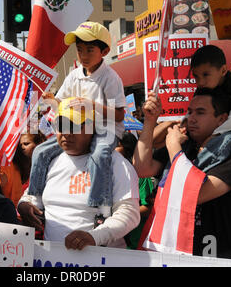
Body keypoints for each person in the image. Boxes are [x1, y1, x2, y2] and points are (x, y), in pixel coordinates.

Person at [134, 88, 231, 258]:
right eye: (189, 112)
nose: (192, 118)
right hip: (173, 250)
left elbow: (193, 195)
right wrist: (150, 122)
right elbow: (141, 168)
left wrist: (173, 146)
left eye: (200, 112)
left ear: (221, 119)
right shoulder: (186, 147)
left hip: (215, 255)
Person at [29, 21, 127, 217]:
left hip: (103, 129)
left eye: (90, 50)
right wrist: (51, 100)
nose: (83, 56)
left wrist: (91, 105)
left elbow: (119, 114)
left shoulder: (111, 78)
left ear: (105, 51)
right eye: (80, 50)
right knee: (39, 150)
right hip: (73, 129)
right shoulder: (73, 75)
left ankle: (101, 208)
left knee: (99, 156)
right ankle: (36, 198)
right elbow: (61, 103)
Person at [18, 99, 140, 250]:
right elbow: (30, 196)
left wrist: (94, 237)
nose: (66, 134)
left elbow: (129, 213)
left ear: (91, 127)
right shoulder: (48, 161)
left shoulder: (115, 163)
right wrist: (24, 205)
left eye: (74, 126)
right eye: (60, 126)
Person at [189, 45, 231, 172]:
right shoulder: (202, 89)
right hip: (211, 134)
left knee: (227, 139)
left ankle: (197, 171)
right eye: (196, 76)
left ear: (223, 70)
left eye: (206, 75)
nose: (200, 82)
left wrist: (213, 136)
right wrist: (184, 124)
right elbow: (193, 108)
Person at [115, 131, 154, 249]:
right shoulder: (109, 173)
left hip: (135, 241)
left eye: (116, 145)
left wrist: (121, 216)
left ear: (126, 147)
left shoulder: (141, 175)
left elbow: (148, 208)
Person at [0, 132, 46, 208]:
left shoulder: (47, 165)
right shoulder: (13, 166)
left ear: (39, 144)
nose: (22, 147)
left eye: (26, 144)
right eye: (20, 145)